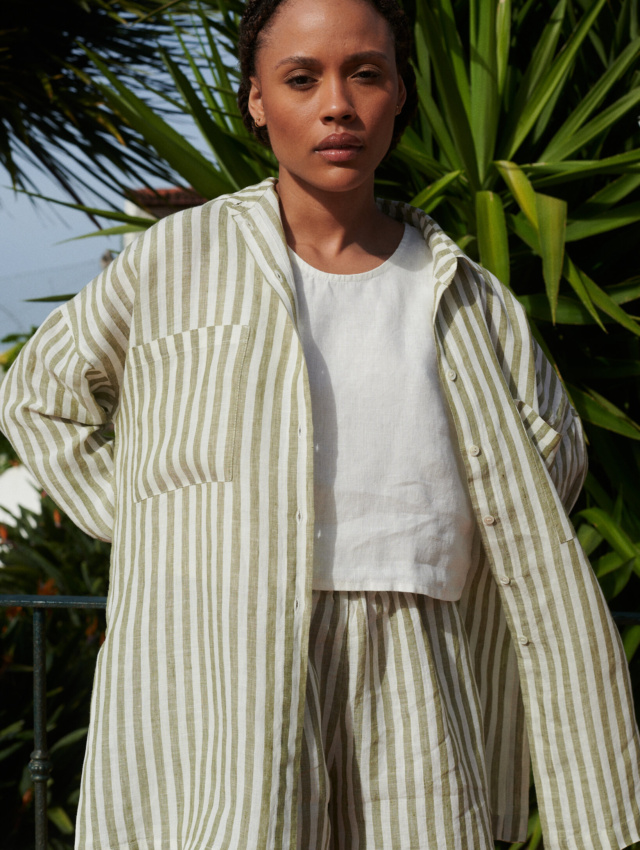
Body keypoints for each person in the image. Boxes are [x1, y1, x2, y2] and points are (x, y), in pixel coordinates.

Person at [0, 0, 639, 848]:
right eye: (302, 78)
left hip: (420, 643)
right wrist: (162, 527)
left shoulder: (464, 292)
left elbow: (555, 450)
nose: (338, 104)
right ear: (257, 100)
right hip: (235, 646)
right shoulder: (178, 258)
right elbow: (40, 394)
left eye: (366, 73)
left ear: (400, 92)